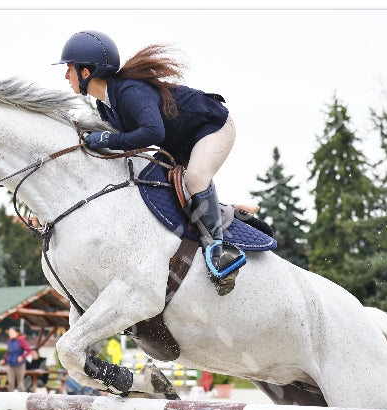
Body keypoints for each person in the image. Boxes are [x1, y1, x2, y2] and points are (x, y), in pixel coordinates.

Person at [55, 30, 247, 281]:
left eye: (69, 68)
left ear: (85, 72)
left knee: (195, 178)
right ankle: (233, 211)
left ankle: (217, 254)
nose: (65, 75)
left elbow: (152, 132)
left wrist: (106, 139)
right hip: (181, 140)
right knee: (163, 183)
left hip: (213, 127)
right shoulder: (105, 106)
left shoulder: (129, 91)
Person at [0, 327, 31, 391]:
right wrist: (4, 359)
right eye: (9, 332)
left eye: (12, 332)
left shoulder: (21, 341)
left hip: (19, 364)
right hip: (10, 364)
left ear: (17, 333)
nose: (10, 334)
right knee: (10, 382)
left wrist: (22, 357)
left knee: (20, 383)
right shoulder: (9, 341)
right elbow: (8, 352)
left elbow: (29, 350)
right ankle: (10, 396)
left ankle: (23, 396)